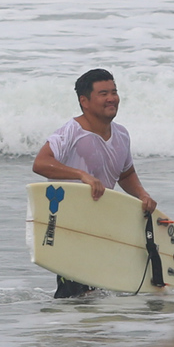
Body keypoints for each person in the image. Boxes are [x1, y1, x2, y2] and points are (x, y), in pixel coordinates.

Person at [33, 68, 157, 298]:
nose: (112, 98)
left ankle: (87, 332)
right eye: (103, 93)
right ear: (85, 101)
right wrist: (81, 174)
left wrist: (141, 194)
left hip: (99, 225)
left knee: (92, 294)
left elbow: (126, 173)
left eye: (114, 92)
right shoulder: (71, 132)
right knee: (75, 293)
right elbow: (40, 163)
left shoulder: (122, 134)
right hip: (68, 224)